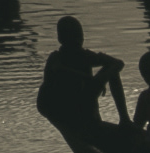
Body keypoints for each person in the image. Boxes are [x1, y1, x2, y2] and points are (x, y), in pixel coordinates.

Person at [35, 16, 131, 145]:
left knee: (112, 68)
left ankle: (124, 119)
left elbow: (118, 64)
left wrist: (104, 63)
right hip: (63, 107)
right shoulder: (56, 57)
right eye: (72, 36)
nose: (77, 41)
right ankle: (87, 127)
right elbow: (59, 70)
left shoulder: (84, 56)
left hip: (84, 101)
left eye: (78, 36)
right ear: (61, 39)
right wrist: (88, 78)